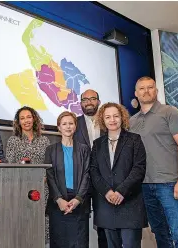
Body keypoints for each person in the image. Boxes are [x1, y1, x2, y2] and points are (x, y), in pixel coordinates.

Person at [130, 76, 178, 247]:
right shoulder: (132, 121)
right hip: (145, 185)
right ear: (136, 93)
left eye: (150, 87)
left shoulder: (170, 112)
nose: (146, 91)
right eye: (142, 88)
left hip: (170, 183)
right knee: (159, 233)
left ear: (156, 91)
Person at [90, 102, 147, 248]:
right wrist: (107, 192)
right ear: (103, 120)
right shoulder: (97, 144)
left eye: (116, 116)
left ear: (122, 117)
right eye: (108, 117)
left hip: (129, 203)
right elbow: (94, 170)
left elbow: (139, 169)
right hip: (106, 204)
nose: (112, 120)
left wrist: (121, 191)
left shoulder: (135, 139)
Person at [6, 106, 50, 245]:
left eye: (29, 117)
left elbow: (49, 165)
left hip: (42, 188)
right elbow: (10, 165)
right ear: (18, 122)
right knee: (22, 222)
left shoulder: (44, 140)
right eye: (22, 118)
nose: (26, 121)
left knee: (41, 223)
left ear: (34, 119)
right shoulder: (13, 141)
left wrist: (44, 179)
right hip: (20, 189)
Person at [46, 111, 91, 248]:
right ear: (59, 127)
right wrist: (59, 199)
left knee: (79, 243)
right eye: (64, 124)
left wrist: (78, 199)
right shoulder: (51, 150)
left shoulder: (84, 149)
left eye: (71, 123)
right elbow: (50, 176)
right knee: (59, 242)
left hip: (79, 203)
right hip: (58, 203)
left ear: (75, 126)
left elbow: (87, 175)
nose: (68, 126)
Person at [74, 89, 107, 248]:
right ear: (80, 103)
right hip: (82, 180)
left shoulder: (108, 121)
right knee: (80, 221)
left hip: (105, 179)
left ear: (99, 102)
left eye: (92, 99)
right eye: (85, 99)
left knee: (104, 222)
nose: (89, 102)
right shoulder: (74, 123)